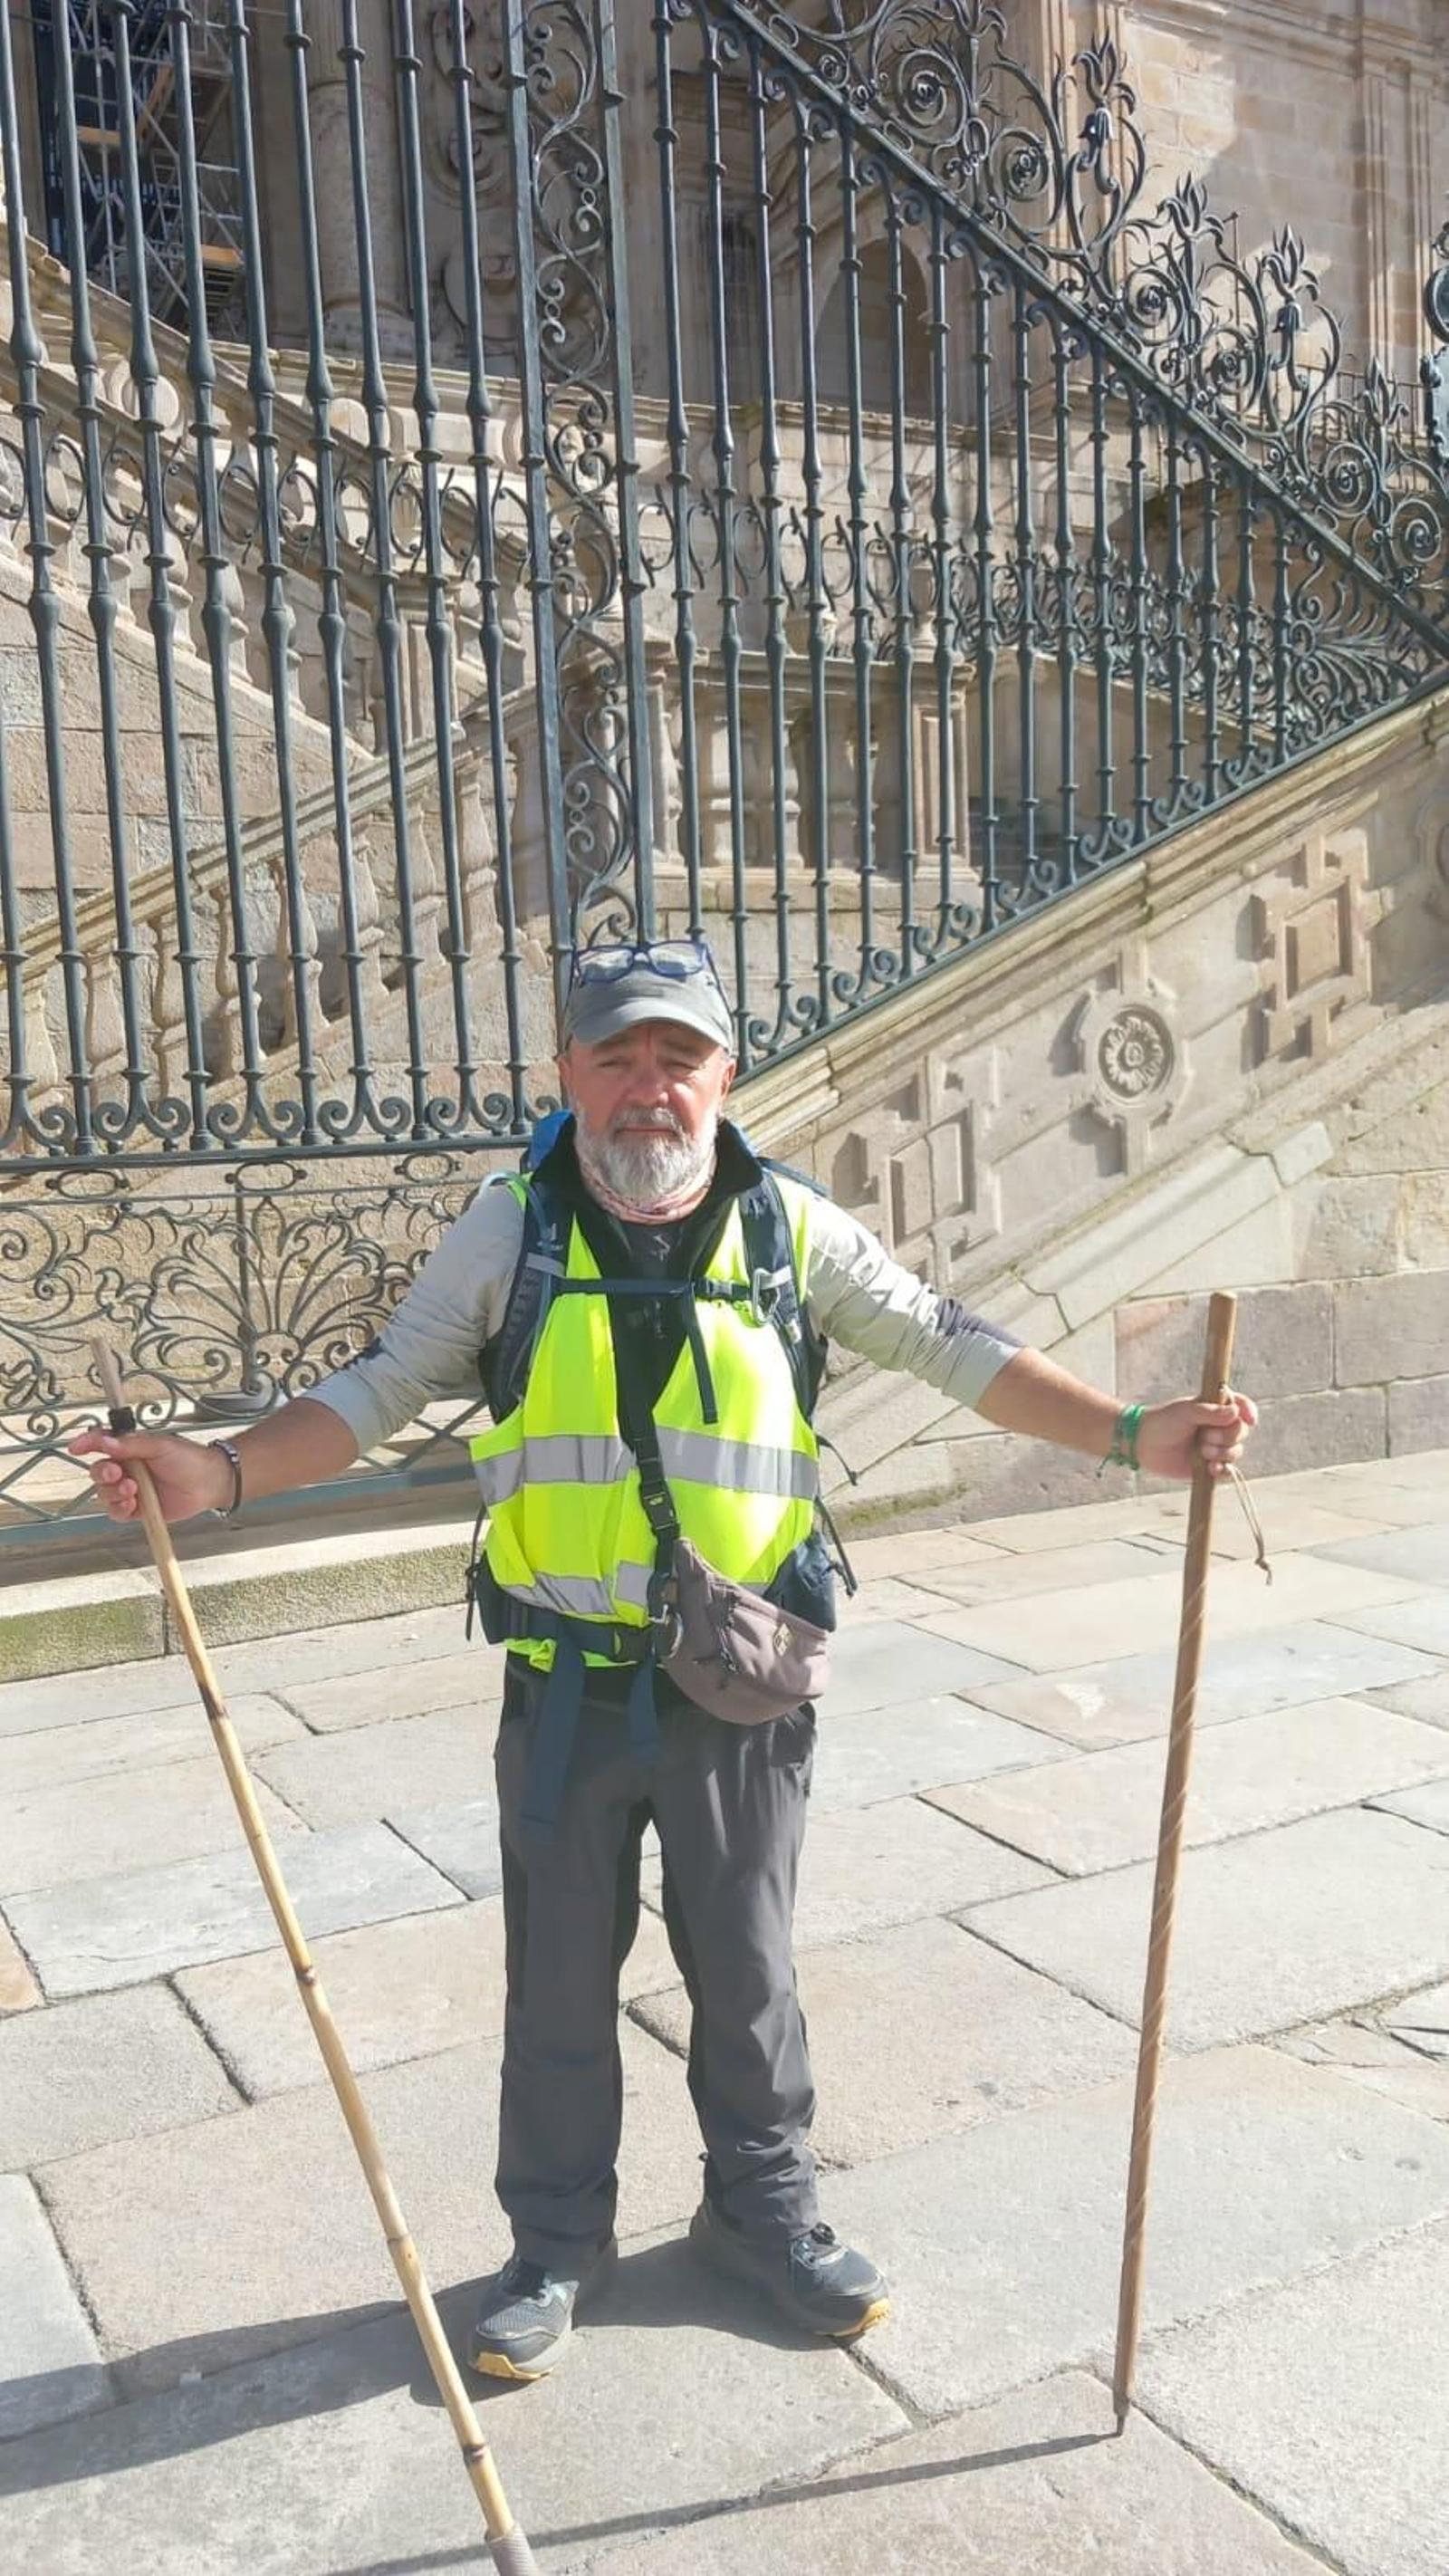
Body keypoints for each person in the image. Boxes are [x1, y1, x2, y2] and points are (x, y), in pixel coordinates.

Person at [72, 934, 1256, 2383]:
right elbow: (375, 1391)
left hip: (741, 1683)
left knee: (747, 1971)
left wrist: (1136, 1437)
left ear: (723, 1074)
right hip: (566, 1687)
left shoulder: (789, 1231)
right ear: (564, 1074)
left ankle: (763, 2216)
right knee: (558, 1983)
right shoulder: (508, 1231)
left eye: (676, 1057)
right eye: (616, 1057)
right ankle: (556, 2246)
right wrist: (221, 1474)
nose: (648, 1088)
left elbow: (955, 1346)